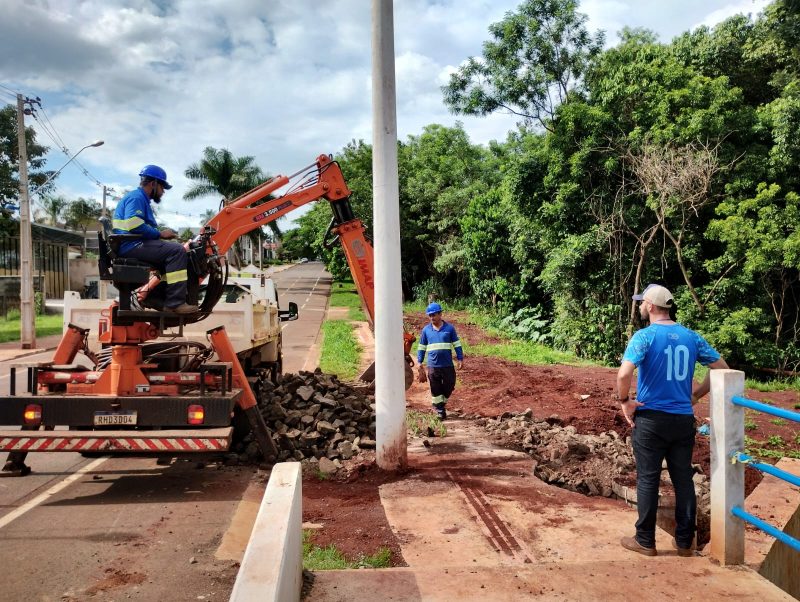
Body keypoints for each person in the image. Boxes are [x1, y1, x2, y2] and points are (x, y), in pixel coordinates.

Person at [617, 283, 728, 557]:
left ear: (651, 306)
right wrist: (697, 395)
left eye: (642, 302)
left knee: (648, 479)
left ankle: (645, 540)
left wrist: (625, 401)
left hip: (651, 420)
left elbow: (623, 374)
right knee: (683, 480)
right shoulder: (691, 337)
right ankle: (684, 542)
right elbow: (722, 369)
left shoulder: (644, 337)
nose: (641, 306)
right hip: (682, 420)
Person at [112, 165, 197, 314]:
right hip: (131, 246)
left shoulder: (139, 199)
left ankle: (155, 298)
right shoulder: (136, 197)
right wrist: (160, 234)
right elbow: (134, 224)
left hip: (132, 244)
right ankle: (175, 304)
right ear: (153, 184)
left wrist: (161, 237)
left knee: (171, 256)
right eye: (162, 187)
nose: (163, 191)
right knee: (177, 251)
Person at [417, 302, 463, 420]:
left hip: (447, 364)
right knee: (435, 387)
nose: (432, 317)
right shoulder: (426, 330)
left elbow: (457, 344)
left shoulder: (449, 329)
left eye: (434, 315)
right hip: (433, 365)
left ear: (440, 314)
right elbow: (422, 346)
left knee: (450, 385)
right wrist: (419, 362)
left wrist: (460, 358)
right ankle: (440, 411)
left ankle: (440, 405)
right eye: (430, 315)